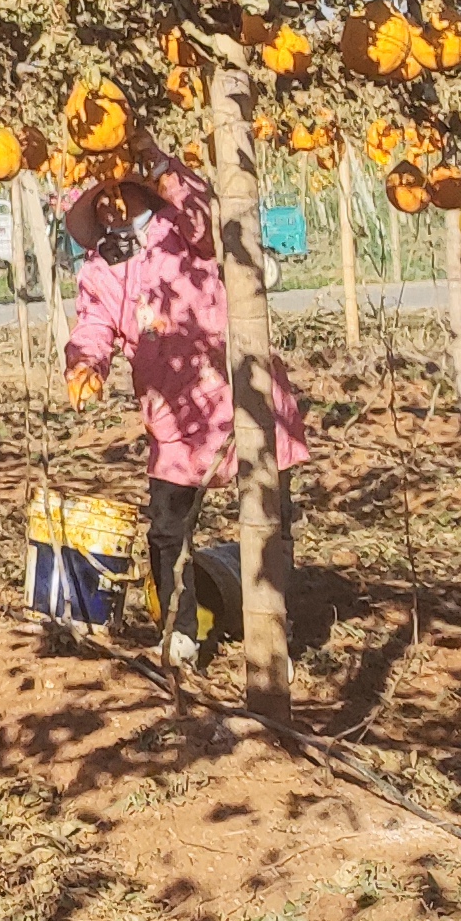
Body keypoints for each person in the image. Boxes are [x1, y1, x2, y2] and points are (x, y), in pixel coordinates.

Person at [63, 163, 306, 655]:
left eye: (118, 191)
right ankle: (181, 634)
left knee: (268, 520)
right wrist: (86, 363)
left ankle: (274, 632)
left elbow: (208, 220)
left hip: (242, 395)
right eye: (98, 200)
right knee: (168, 531)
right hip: (174, 417)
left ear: (139, 189)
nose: (111, 206)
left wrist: (160, 165)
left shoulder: (184, 230)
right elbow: (93, 325)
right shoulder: (98, 269)